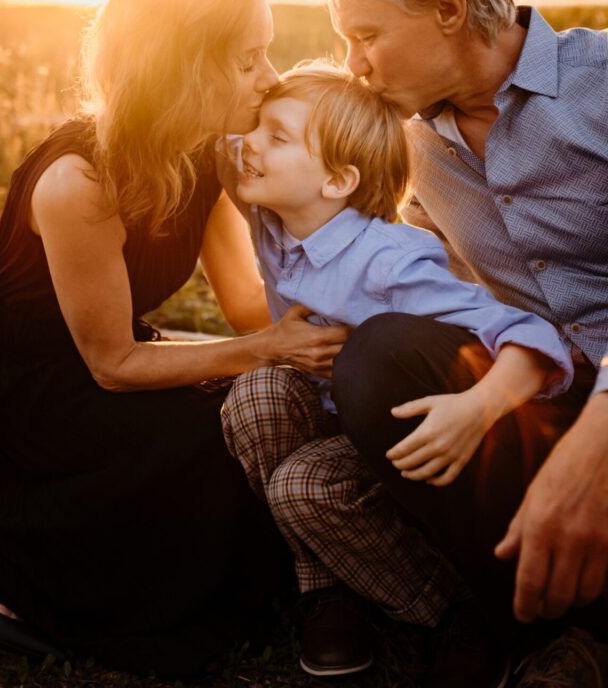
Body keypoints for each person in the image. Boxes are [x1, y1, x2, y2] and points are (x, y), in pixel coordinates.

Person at [0, 0, 348, 675]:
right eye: (248, 58)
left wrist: (350, 300)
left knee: (252, 412)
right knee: (210, 441)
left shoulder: (205, 153)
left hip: (104, 353)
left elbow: (243, 303)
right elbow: (113, 365)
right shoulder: (78, 182)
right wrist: (268, 351)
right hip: (21, 392)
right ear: (182, 64)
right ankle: (7, 594)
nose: (271, 76)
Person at [322, 0, 608, 687]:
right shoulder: (414, 137)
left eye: (366, 36)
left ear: (450, 8)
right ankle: (554, 622)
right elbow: (420, 254)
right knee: (380, 356)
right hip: (538, 390)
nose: (354, 64)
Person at [219, 61, 575, 681]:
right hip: (319, 411)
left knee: (301, 485)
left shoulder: (391, 261)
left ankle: (456, 608)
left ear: (337, 180)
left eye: (276, 136)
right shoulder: (274, 208)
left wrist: (476, 406)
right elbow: (194, 122)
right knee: (258, 390)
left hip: (396, 441)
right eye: (257, 127)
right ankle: (325, 591)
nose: (249, 142)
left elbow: (532, 337)